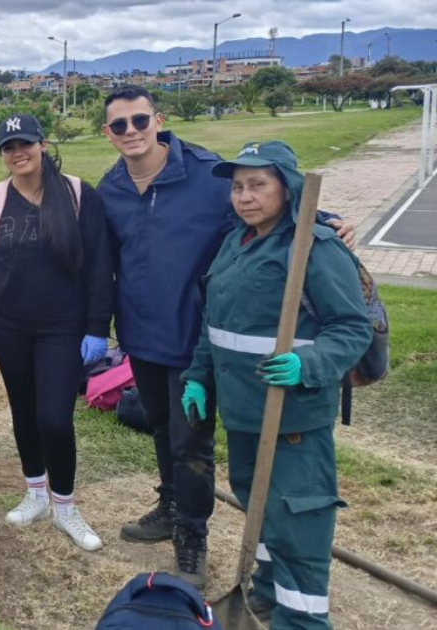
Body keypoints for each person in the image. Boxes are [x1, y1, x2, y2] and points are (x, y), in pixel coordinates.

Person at [94, 85, 356, 587]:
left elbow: (265, 202)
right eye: (120, 125)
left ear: (159, 120)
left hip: (197, 337)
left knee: (191, 439)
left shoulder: (204, 174)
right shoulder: (111, 190)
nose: (131, 131)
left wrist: (322, 222)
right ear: (108, 133)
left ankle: (191, 536)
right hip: (141, 333)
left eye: (140, 120)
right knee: (160, 426)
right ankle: (171, 505)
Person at [182, 140, 371, 629]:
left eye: (258, 185)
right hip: (244, 414)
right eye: (238, 187)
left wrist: (307, 365)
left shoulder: (315, 246)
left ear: (287, 189)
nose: (245, 196)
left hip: (290, 418)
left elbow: (351, 328)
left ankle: (302, 619)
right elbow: (214, 323)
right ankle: (263, 593)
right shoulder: (236, 242)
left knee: (297, 526)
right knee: (258, 509)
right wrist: (198, 377)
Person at [0, 114, 113, 551]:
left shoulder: (78, 194)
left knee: (54, 417)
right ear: (2, 153)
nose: (17, 153)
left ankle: (64, 506)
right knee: (24, 412)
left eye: (25, 143)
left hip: (62, 329)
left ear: (42, 145)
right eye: (8, 146)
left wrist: (96, 327)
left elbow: (101, 266)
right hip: (7, 325)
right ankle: (34, 494)